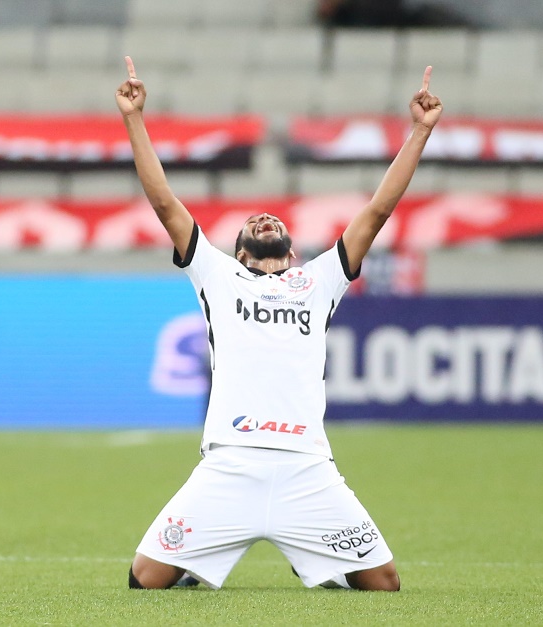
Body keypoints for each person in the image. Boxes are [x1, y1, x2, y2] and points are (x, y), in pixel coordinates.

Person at [116, 55, 442, 591]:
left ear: (291, 254)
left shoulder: (318, 281)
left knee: (384, 586)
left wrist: (418, 133)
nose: (265, 219)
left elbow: (378, 211)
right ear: (240, 250)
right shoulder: (216, 275)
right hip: (230, 463)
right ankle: (204, 564)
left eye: (274, 222)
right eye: (253, 223)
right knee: (145, 580)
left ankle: (310, 554)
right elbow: (163, 202)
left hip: (306, 466)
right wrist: (134, 118)